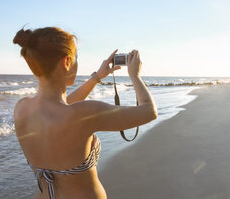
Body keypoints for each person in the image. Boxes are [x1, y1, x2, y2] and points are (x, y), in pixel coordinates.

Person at [12, 27, 157, 199]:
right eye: (76, 58)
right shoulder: (84, 113)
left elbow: (61, 108)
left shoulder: (21, 108)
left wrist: (97, 77)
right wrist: (135, 76)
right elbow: (148, 111)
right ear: (67, 62)